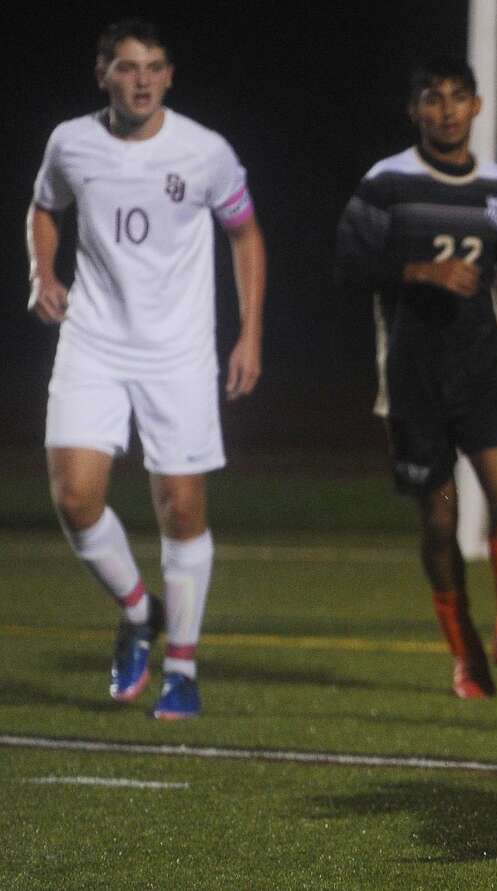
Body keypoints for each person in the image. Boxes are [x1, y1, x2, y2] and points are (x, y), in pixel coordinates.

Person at [25, 19, 266, 720]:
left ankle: (182, 667)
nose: (142, 79)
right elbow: (45, 207)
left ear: (168, 75)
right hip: (92, 341)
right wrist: (42, 272)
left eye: (155, 67)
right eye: (128, 67)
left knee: (182, 509)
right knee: (74, 498)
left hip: (179, 352)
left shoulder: (205, 152)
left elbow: (245, 232)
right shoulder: (71, 142)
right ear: (103, 73)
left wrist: (249, 334)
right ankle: (138, 609)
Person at [335, 58, 497, 700]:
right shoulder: (386, 183)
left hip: (485, 372)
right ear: (416, 110)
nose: (447, 111)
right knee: (440, 521)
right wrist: (417, 272)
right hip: (412, 379)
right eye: (433, 99)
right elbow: (349, 267)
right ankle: (465, 653)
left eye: (459, 99)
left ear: (477, 107)